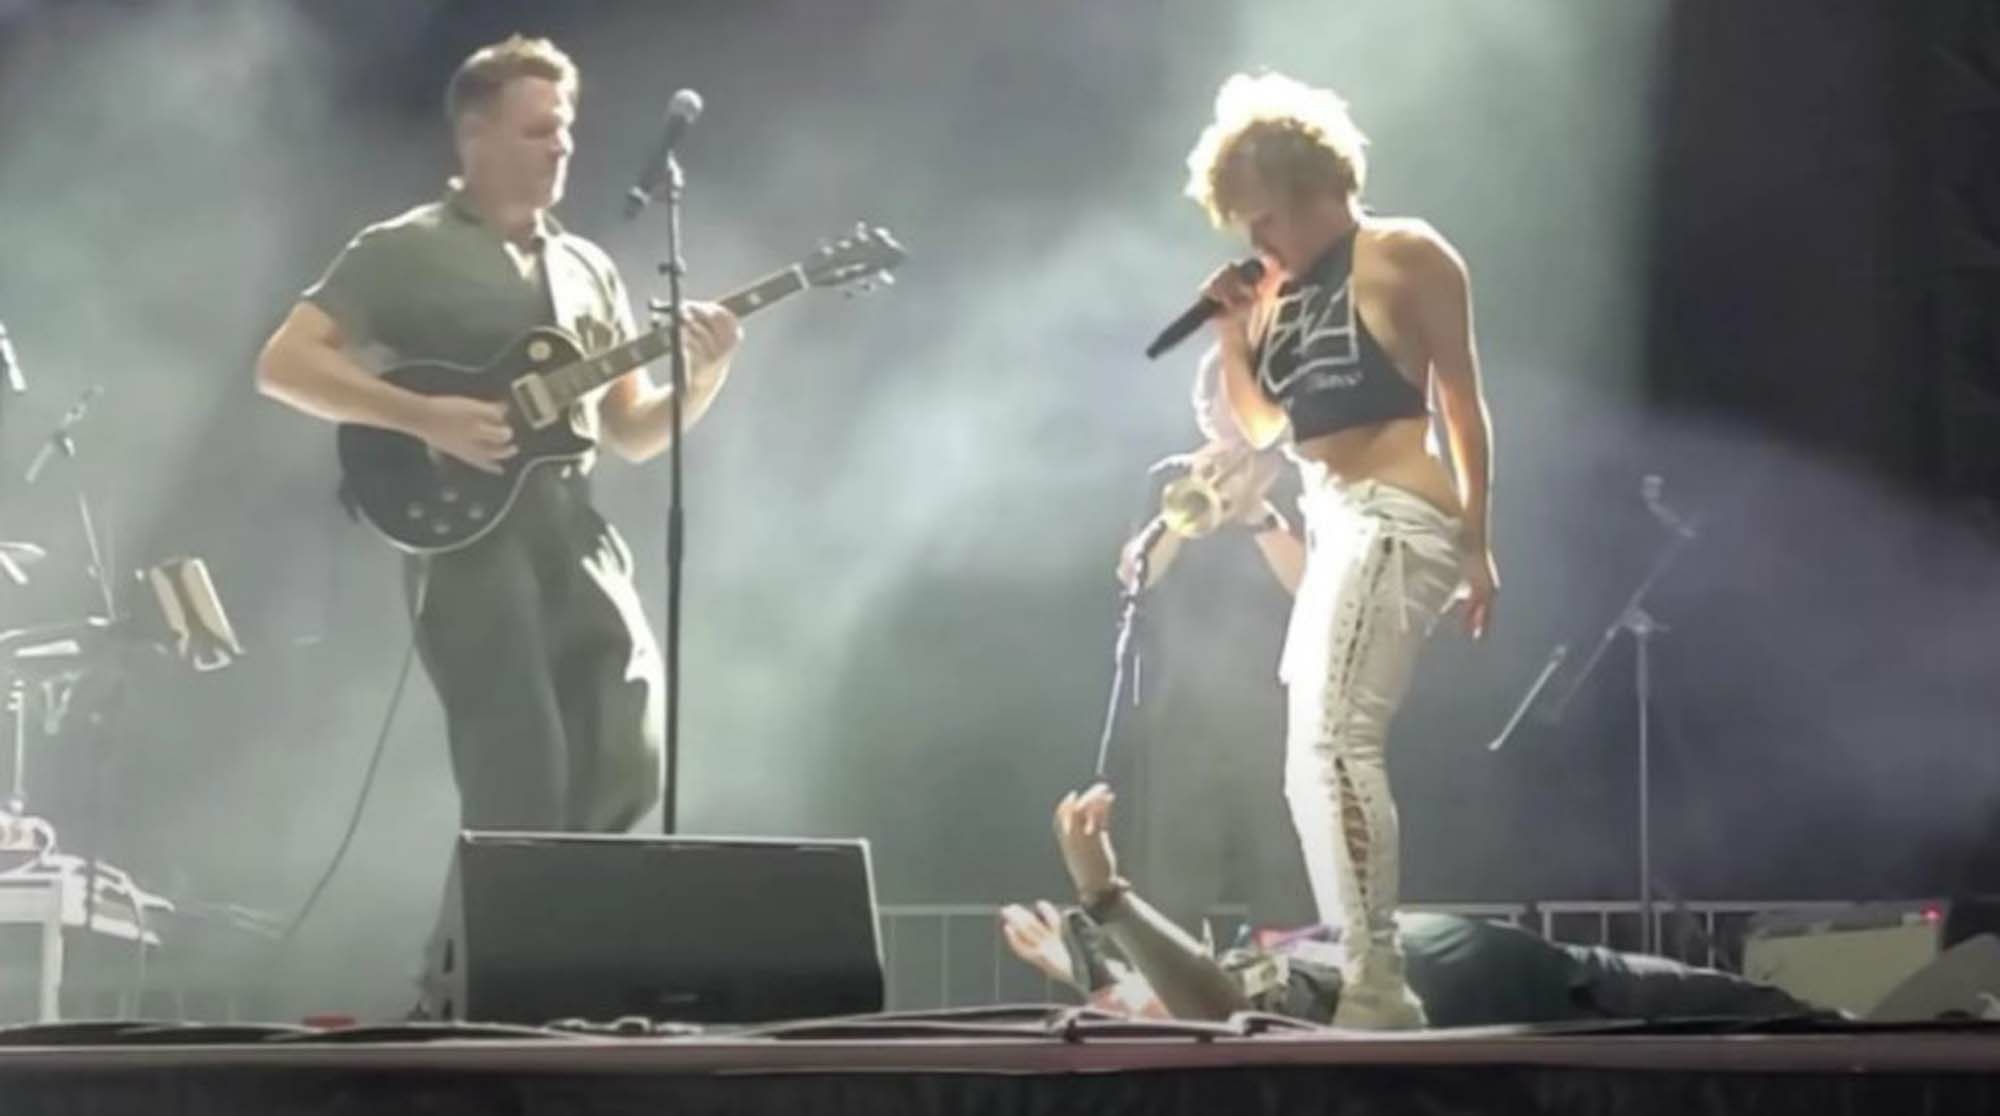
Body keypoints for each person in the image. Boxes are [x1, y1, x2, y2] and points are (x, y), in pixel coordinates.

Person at [254, 36, 741, 998]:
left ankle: (548, 959)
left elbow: (632, 431)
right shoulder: (404, 248)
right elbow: (284, 365)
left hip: (578, 535)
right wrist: (420, 415)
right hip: (472, 543)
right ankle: (473, 991)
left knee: (629, 750)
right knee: (519, 773)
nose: (562, 146)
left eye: (566, 128)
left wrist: (708, 373)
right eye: (538, 129)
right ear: (476, 135)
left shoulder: (590, 268)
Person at [1179, 71, 1500, 1027]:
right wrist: (1234, 332)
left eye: (1264, 219)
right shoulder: (1274, 294)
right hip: (1333, 522)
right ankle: (1365, 970)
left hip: (1398, 510)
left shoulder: (1407, 254)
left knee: (1337, 741)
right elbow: (1261, 428)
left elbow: (1463, 402)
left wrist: (1478, 541)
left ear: (1311, 187)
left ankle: (1377, 984)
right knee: (1307, 761)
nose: (1257, 241)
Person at [1001, 784, 1827, 1027]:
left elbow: (1167, 1000)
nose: (1122, 1002)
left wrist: (1087, 967)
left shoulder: (1262, 971)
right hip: (1570, 994)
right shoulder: (1262, 1010)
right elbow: (1205, 1010)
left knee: (1789, 1020)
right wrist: (1107, 899)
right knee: (1784, 1028)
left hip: (1573, 973)